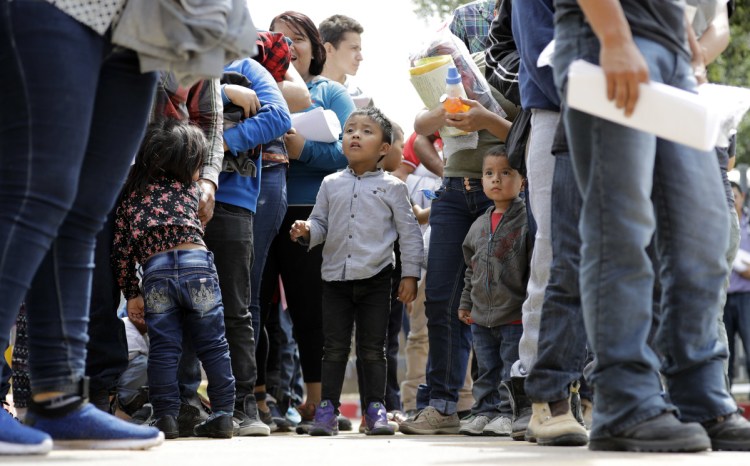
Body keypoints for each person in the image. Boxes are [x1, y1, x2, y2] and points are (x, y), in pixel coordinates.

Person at [553, 0, 750, 452]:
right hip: (608, 34)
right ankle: (625, 402)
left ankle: (700, 397)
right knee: (620, 229)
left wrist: (681, 27)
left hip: (670, 54)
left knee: (703, 233)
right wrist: (615, 36)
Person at [0, 0, 164, 454]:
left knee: (85, 213)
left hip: (139, 29)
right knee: (34, 191)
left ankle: (60, 399)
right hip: (59, 7)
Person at [290, 107, 423, 436]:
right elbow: (321, 223)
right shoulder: (330, 183)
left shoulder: (393, 187)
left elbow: (409, 234)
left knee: (372, 348)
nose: (355, 135)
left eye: (366, 131)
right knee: (333, 348)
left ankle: (376, 408)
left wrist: (410, 275)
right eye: (350, 130)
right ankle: (327, 411)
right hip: (335, 279)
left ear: (383, 149)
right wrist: (307, 229)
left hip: (377, 279)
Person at [399, 52, 512, 436]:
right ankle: (442, 405)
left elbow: (529, 132)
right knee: (442, 299)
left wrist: (487, 120)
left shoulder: (516, 63)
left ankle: (503, 404)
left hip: (500, 194)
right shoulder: (462, 66)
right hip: (451, 192)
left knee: (500, 301)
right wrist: (442, 113)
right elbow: (420, 127)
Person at [112, 119, 237, 439]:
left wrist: (132, 292)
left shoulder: (131, 196)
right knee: (214, 345)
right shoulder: (194, 191)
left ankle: (165, 415)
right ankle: (223, 413)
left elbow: (122, 252)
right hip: (198, 268)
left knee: (165, 349)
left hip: (157, 275)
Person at [269, 10, 356, 431]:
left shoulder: (331, 93)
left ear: (315, 49)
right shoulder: (256, 87)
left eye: (297, 39)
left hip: (311, 213)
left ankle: (318, 400)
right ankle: (261, 398)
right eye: (278, 39)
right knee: (261, 307)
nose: (288, 46)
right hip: (260, 209)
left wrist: (304, 150)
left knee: (310, 308)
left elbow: (351, 152)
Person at [456, 147, 529, 438]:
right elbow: (470, 269)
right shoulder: (477, 225)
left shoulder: (527, 220)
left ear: (523, 181)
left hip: (513, 314)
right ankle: (484, 411)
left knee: (509, 368)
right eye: (489, 174)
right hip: (481, 315)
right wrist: (465, 304)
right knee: (486, 368)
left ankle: (507, 413)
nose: (496, 180)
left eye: (506, 173)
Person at [725, 181, 750, 385]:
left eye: (736, 195)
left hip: (746, 296)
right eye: (729, 195)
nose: (733, 200)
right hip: (723, 297)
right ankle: (726, 405)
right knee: (726, 354)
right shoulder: (718, 223)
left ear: (742, 196)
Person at [318, 14, 371, 107]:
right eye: (354, 48)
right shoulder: (302, 92)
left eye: (359, 50)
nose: (360, 57)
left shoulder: (361, 98)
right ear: (329, 49)